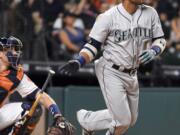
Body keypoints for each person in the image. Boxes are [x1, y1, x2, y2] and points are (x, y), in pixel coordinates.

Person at [59, 0, 167, 135]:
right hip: (111, 70)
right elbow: (93, 46)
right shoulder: (108, 17)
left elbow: (161, 39)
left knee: (131, 120)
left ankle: (88, 121)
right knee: (122, 121)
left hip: (132, 73)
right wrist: (79, 61)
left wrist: (154, 50)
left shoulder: (150, 13)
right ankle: (89, 122)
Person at [0, 36, 75, 135]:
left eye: (16, 49)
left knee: (33, 109)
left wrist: (58, 115)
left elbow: (41, 96)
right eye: (11, 49)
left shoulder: (16, 74)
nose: (15, 53)